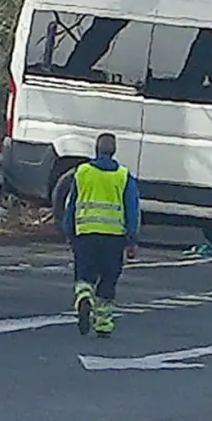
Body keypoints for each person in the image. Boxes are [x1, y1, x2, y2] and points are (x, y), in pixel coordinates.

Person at [61, 133, 140, 338]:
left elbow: (71, 205)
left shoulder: (82, 173)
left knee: (84, 275)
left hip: (86, 234)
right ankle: (103, 323)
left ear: (96, 149)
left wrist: (68, 231)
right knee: (108, 279)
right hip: (114, 237)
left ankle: (84, 297)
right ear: (114, 151)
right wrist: (132, 239)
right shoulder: (123, 176)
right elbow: (132, 210)